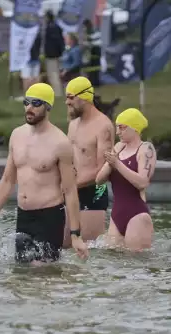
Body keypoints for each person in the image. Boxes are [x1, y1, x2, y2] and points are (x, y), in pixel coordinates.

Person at [0, 83, 89, 264]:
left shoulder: (60, 143)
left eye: (35, 103)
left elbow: (70, 191)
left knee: (42, 276)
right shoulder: (16, 135)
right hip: (24, 216)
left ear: (48, 107)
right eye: (26, 102)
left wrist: (75, 235)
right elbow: (7, 180)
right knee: (22, 277)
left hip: (49, 217)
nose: (29, 108)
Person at [63, 76, 113, 248]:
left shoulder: (103, 126)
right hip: (71, 191)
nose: (66, 102)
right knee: (64, 248)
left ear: (84, 97)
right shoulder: (73, 123)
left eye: (70, 97)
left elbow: (104, 170)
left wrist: (71, 185)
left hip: (94, 193)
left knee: (90, 252)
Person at [96, 108, 155, 251]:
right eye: (117, 127)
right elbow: (99, 180)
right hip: (117, 215)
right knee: (113, 262)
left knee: (135, 264)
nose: (117, 132)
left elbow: (142, 183)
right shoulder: (119, 148)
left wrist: (117, 164)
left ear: (134, 128)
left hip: (137, 214)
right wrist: (110, 163)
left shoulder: (146, 149)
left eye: (121, 127)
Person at [43, 10, 65, 95]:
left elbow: (49, 43)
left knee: (53, 74)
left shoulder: (49, 28)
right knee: (56, 73)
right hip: (57, 54)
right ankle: (58, 91)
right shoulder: (58, 27)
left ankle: (57, 93)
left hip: (51, 55)